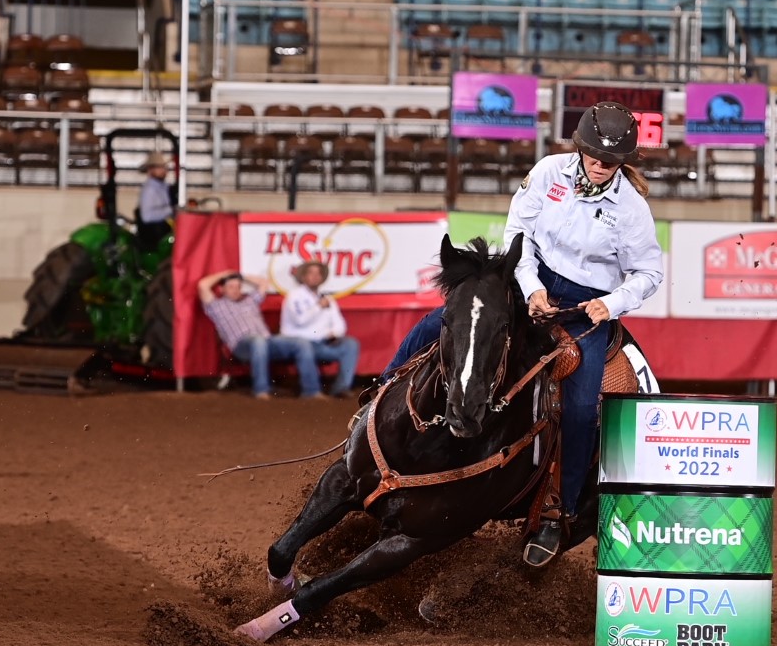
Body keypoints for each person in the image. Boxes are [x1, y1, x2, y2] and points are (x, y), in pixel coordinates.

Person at [382, 101, 664, 567]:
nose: (601, 164)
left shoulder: (632, 210)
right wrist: (530, 288)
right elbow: (520, 234)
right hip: (533, 282)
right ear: (581, 147)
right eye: (595, 154)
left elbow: (649, 272)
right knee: (442, 323)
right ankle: (383, 391)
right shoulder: (549, 172)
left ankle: (559, 511)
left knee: (578, 408)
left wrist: (609, 304)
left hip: (586, 311)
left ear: (623, 162)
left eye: (611, 160)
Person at [197, 269, 325, 400]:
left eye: (238, 287)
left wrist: (242, 276)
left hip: (268, 341)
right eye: (231, 287)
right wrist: (224, 275)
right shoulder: (216, 306)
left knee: (301, 343)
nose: (235, 290)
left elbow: (264, 283)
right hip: (242, 345)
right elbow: (203, 285)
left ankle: (312, 391)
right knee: (258, 341)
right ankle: (261, 390)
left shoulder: (250, 301)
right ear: (222, 289)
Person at [279, 260, 361, 398]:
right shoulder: (295, 296)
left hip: (322, 342)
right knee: (303, 345)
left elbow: (340, 323)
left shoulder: (327, 299)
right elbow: (300, 320)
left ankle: (341, 388)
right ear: (303, 277)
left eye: (318, 273)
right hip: (296, 342)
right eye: (311, 273)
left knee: (351, 344)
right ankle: (311, 391)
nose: (315, 276)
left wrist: (335, 333)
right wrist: (318, 307)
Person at [136, 151, 175, 252]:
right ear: (150, 170)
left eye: (164, 167)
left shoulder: (163, 187)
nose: (164, 170)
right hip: (156, 234)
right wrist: (171, 210)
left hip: (165, 229)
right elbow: (147, 217)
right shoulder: (149, 190)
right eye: (160, 167)